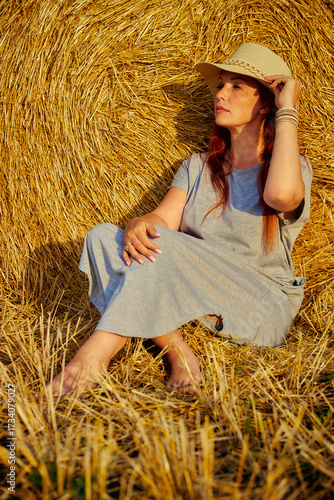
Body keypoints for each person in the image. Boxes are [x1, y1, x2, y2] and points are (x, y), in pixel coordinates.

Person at [46, 42, 312, 397]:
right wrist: (138, 224)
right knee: (102, 237)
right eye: (220, 86)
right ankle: (178, 350)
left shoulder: (291, 168)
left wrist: (288, 107)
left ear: (265, 102)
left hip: (258, 300)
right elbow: (162, 221)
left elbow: (281, 196)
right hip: (197, 290)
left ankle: (91, 359)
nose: (221, 94)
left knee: (159, 247)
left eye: (236, 86)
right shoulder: (198, 166)